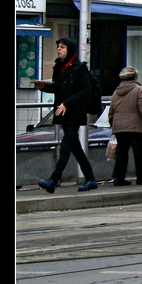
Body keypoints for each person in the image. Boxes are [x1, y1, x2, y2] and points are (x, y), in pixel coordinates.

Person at [36, 38, 99, 193]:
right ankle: (91, 179)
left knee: (66, 145)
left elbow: (86, 90)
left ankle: (54, 180)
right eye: (58, 47)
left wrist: (67, 103)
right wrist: (44, 87)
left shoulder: (79, 68)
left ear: (69, 49)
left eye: (62, 47)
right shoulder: (59, 67)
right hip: (63, 112)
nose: (59, 49)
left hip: (75, 112)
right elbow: (58, 88)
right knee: (75, 147)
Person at [108, 66, 142, 186]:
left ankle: (118, 178)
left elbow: (111, 110)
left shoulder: (116, 92)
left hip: (119, 127)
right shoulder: (139, 89)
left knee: (122, 153)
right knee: (138, 152)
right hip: (135, 126)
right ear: (135, 77)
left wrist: (112, 123)